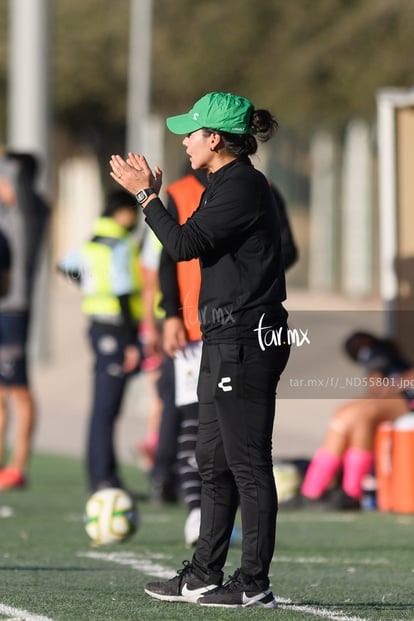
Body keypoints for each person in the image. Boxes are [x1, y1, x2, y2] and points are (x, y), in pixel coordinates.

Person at [110, 91, 290, 608]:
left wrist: (148, 198)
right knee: (210, 458)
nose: (184, 140)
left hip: (247, 339)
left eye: (191, 132)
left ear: (215, 138)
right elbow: (190, 244)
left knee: (247, 461)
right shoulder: (221, 184)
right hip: (220, 337)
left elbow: (184, 245)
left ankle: (255, 582)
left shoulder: (244, 186)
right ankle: (204, 573)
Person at [58, 189, 144, 494]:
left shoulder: (92, 240)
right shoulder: (119, 244)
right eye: (132, 211)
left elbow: (65, 265)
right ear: (121, 212)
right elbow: (122, 291)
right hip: (117, 329)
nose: (134, 218)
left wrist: (89, 286)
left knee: (103, 407)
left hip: (96, 325)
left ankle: (103, 475)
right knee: (106, 407)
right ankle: (102, 477)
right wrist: (133, 341)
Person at [290, 331, 414, 510]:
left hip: (407, 398)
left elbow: (380, 386)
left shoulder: (376, 350)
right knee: (344, 413)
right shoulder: (376, 351)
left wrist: (387, 388)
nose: (355, 346)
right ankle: (313, 491)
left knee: (362, 415)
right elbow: (379, 387)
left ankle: (348, 493)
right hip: (400, 394)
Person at [0, 152, 50, 491]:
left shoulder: (30, 210)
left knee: (18, 389)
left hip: (13, 308)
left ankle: (19, 465)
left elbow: (21, 190)